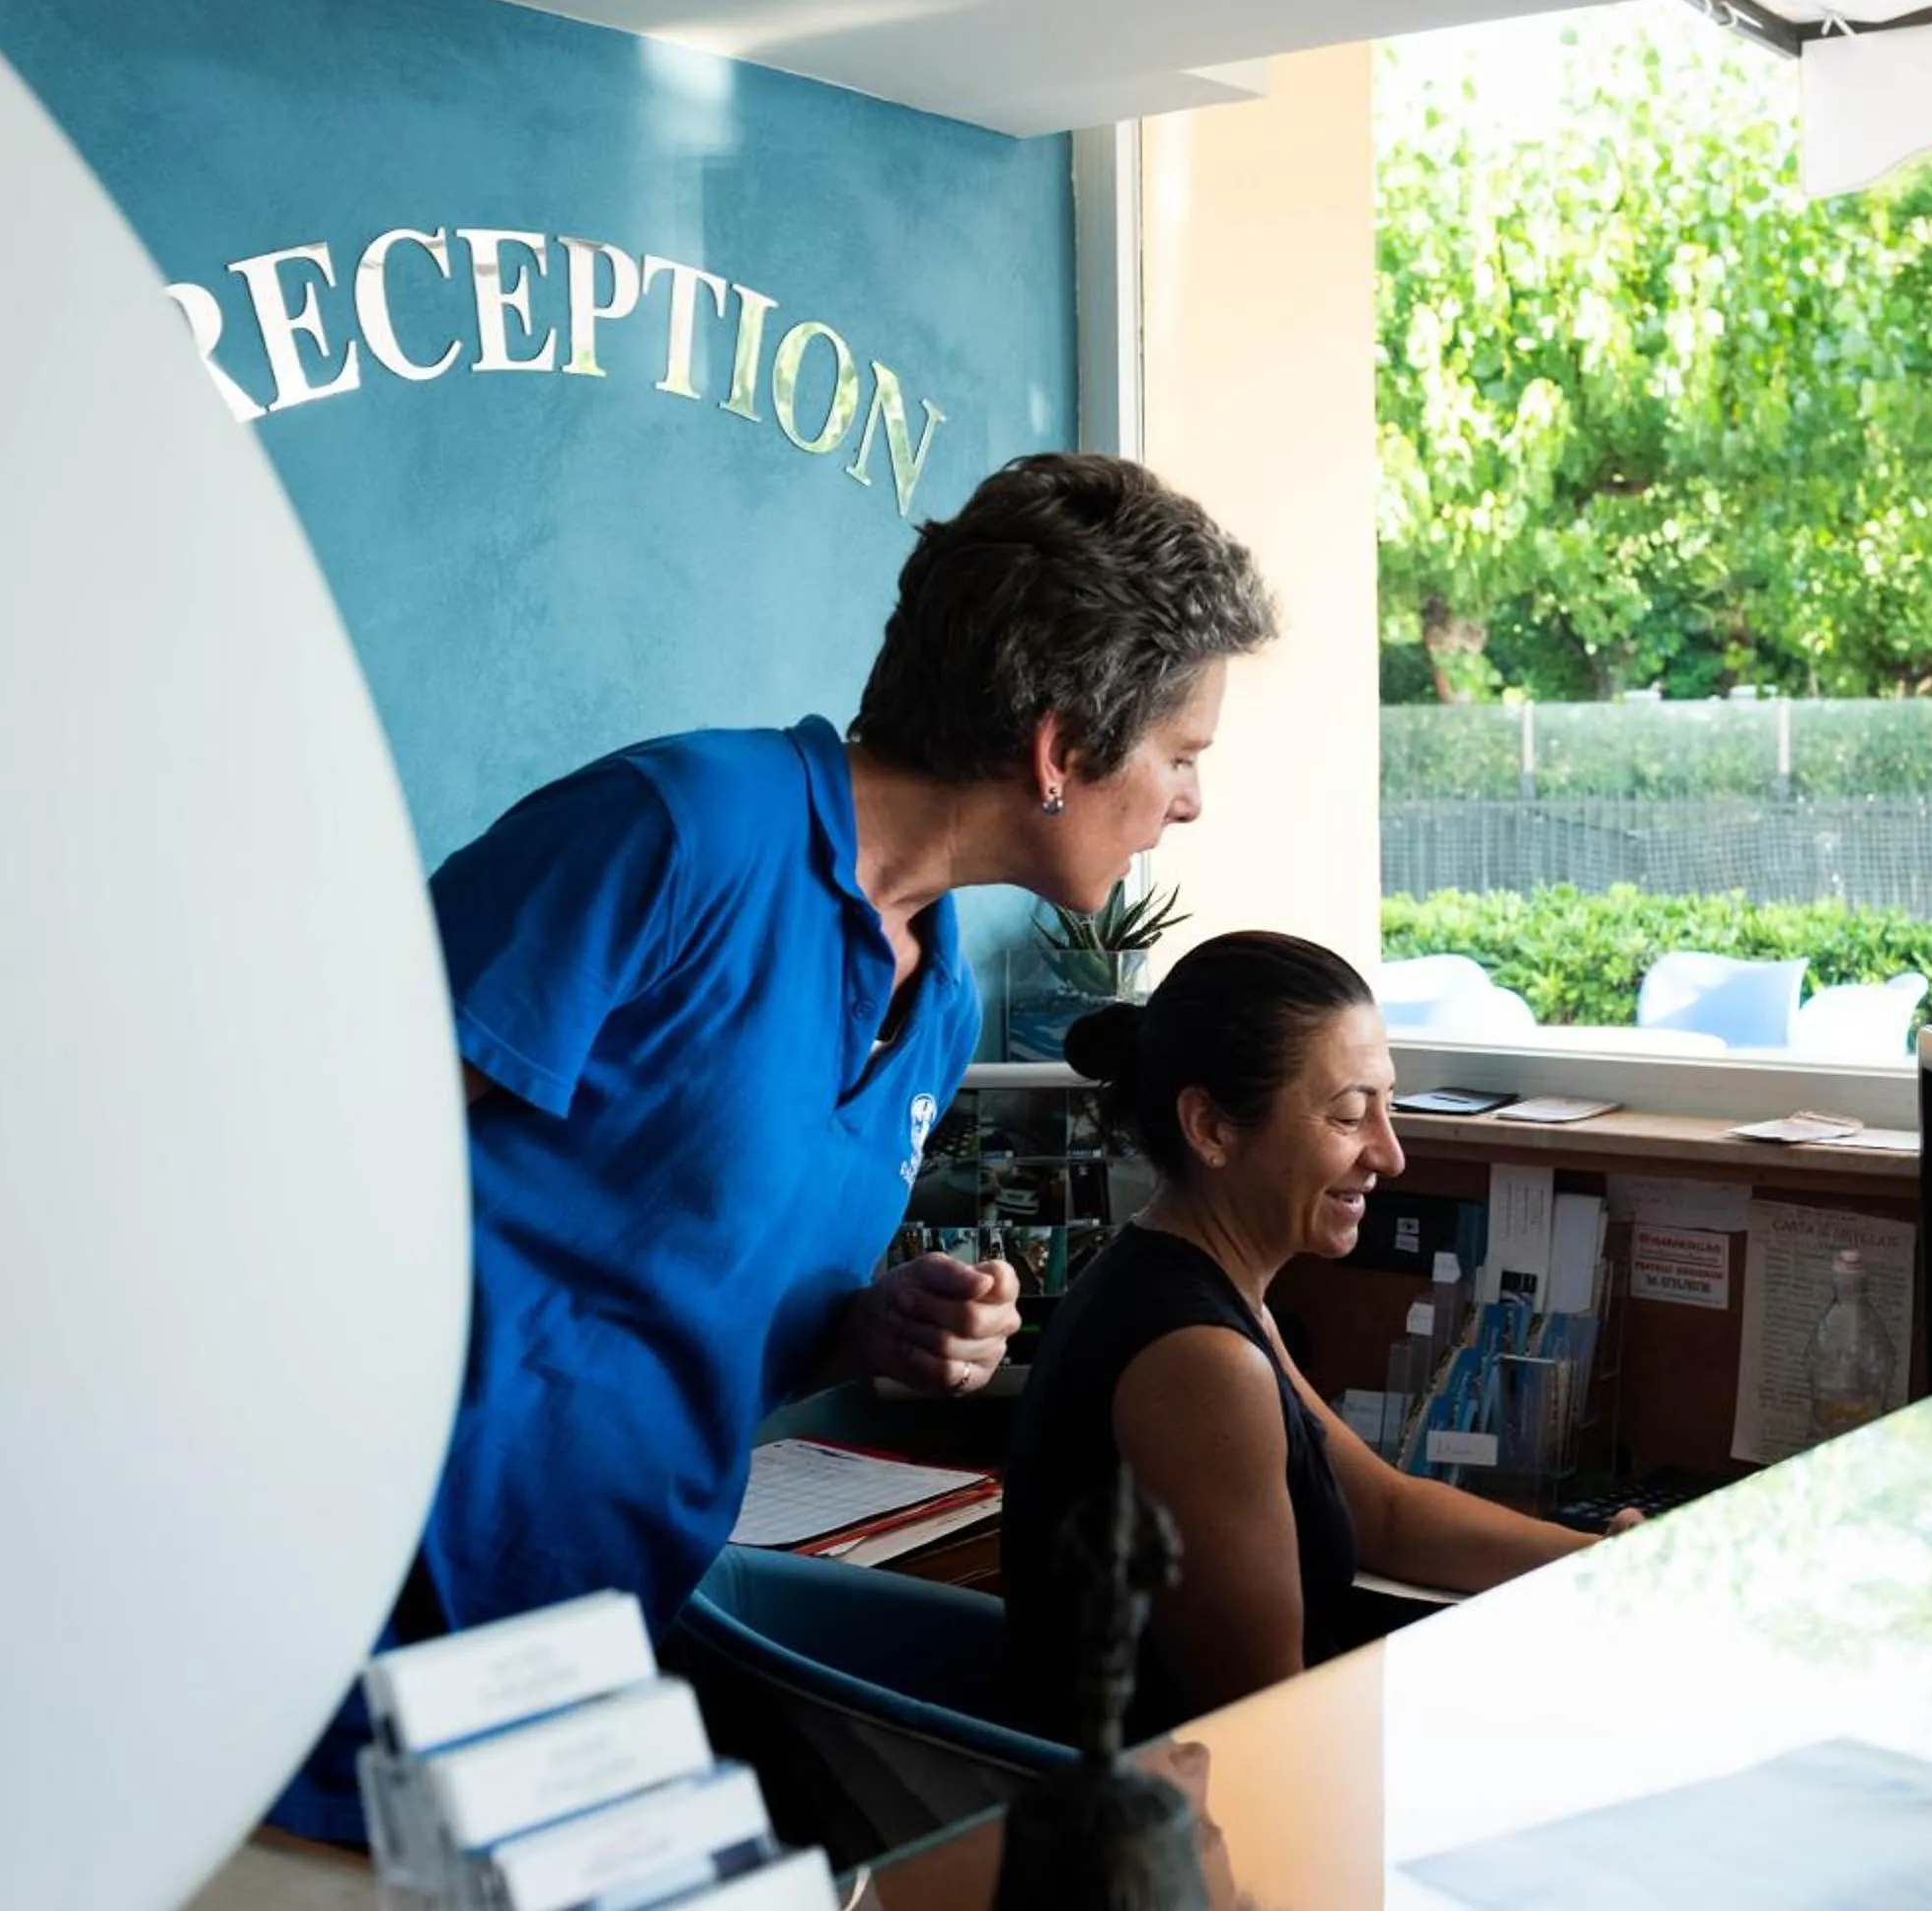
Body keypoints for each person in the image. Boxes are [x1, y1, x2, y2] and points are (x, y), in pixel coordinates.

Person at [269, 452, 1275, 1843]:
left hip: (584, 1656)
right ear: (1059, 749)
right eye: (1184, 754)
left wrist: (876, 1332)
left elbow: (708, 1296)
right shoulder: (677, 834)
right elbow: (299, 1155)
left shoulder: (945, 999)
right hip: (342, 1630)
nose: (1189, 801)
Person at [1001, 933, 1633, 1742]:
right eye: (1347, 1115)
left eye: (1387, 1105)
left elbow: (1386, 1514)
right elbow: (1265, 1727)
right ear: (1211, 1127)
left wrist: (1597, 1565)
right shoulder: (1200, 1358)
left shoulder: (1207, 1294)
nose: (1391, 1154)